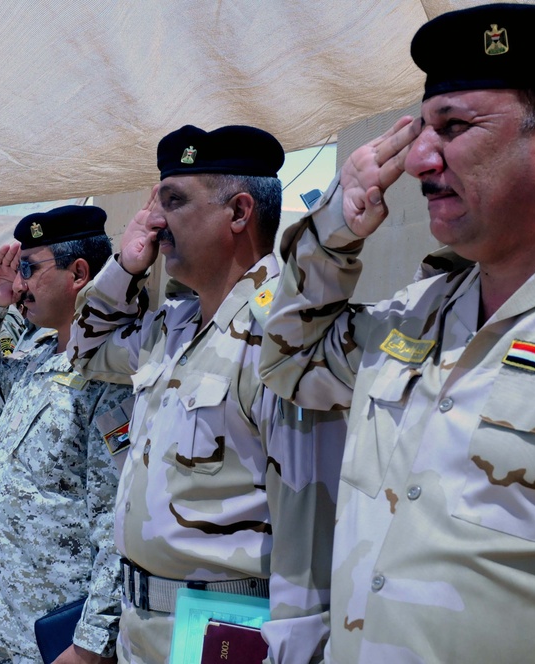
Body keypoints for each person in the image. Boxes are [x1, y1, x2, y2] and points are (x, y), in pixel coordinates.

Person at [258, 4, 535, 661]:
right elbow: (287, 362)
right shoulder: (419, 313)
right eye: (420, 130)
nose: (418, 158)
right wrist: (332, 229)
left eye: (454, 128)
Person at [70, 126, 345, 663]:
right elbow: (85, 351)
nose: (156, 221)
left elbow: (310, 537)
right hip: (144, 628)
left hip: (227, 635)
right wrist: (126, 264)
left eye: (173, 202)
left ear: (239, 212)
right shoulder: (175, 327)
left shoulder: (282, 334)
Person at [0, 206, 129, 664]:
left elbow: (118, 525)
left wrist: (91, 644)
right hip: (2, 621)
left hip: (57, 635)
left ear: (79, 273)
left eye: (29, 268)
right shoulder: (39, 355)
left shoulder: (113, 378)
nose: (20, 284)